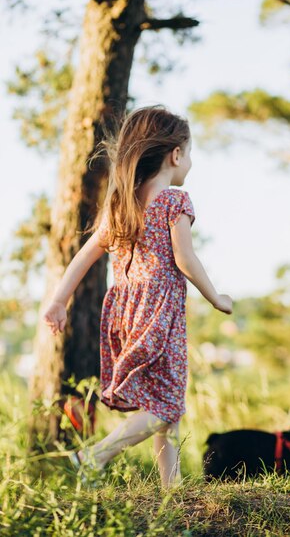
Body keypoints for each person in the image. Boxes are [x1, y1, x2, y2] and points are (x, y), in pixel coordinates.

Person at [43, 106, 233, 488]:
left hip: (124, 312)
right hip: (160, 313)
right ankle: (96, 455)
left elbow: (83, 257)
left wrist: (58, 300)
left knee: (166, 398)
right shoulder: (174, 201)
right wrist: (216, 296)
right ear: (175, 154)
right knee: (168, 403)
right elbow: (184, 258)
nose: (190, 162)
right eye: (190, 153)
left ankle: (171, 487)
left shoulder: (120, 205)